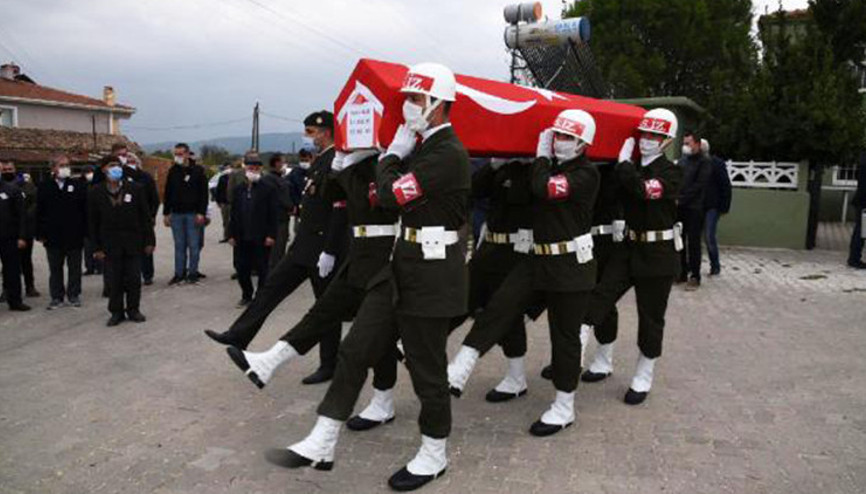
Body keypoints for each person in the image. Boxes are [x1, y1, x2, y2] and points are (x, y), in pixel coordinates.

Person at [266, 62, 470, 492]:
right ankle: (323, 439)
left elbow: (392, 195)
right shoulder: (423, 148)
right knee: (355, 349)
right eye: (407, 98)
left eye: (415, 99)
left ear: (438, 105)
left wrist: (391, 155)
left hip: (433, 277)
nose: (408, 106)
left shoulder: (448, 152)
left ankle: (434, 454)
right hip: (399, 265)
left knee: (427, 371)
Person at [224, 148, 402, 430]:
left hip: (386, 255)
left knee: (382, 337)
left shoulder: (395, 159)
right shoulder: (358, 164)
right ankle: (270, 361)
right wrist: (341, 167)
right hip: (360, 253)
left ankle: (399, 403)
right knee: (324, 312)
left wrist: (388, 158)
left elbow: (388, 200)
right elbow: (332, 198)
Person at [447, 110, 600, 438]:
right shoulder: (545, 167)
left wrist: (541, 156)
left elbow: (545, 189)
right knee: (500, 306)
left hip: (571, 266)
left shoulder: (586, 173)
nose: (560, 142)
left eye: (568, 137)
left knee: (564, 337)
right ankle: (462, 363)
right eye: (557, 135)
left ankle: (564, 406)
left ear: (584, 143)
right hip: (537, 258)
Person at [204, 111, 349, 386]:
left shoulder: (336, 160)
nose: (308, 137)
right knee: (270, 289)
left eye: (312, 132)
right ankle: (239, 334)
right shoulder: (320, 160)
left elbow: (339, 210)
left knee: (325, 309)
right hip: (303, 246)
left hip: (322, 250)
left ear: (327, 132)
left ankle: (329, 364)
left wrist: (330, 250)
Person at [578, 108, 684, 405]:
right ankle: (580, 352)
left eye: (654, 135)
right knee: (599, 297)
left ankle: (643, 375)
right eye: (643, 134)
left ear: (666, 140)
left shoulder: (672, 171)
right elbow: (611, 194)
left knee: (650, 317)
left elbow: (643, 191)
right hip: (628, 247)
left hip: (658, 253)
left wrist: (624, 165)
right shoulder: (628, 167)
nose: (646, 140)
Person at [89, 160, 156, 326]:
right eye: (111, 166)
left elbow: (145, 217)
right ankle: (116, 312)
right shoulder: (96, 192)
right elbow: (92, 222)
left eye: (118, 166)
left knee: (134, 279)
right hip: (109, 244)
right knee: (114, 281)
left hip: (133, 242)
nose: (116, 169)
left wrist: (149, 241)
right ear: (103, 170)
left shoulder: (135, 189)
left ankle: (133, 309)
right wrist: (96, 247)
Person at [36, 155, 88, 309]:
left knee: (75, 268)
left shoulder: (78, 185)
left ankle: (73, 295)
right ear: (53, 168)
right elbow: (39, 211)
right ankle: (57, 297)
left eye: (67, 165)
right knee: (55, 268)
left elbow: (85, 210)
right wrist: (40, 233)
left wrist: (86, 232)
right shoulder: (44, 186)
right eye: (62, 165)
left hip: (74, 234)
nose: (66, 168)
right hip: (52, 236)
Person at [229, 153, 279, 306]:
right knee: (241, 267)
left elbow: (273, 213)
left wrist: (271, 235)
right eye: (251, 168)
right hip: (241, 236)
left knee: (262, 268)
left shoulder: (268, 189)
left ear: (261, 169)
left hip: (261, 236)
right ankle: (246, 295)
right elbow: (233, 213)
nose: (254, 170)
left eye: (256, 168)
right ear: (245, 169)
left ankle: (260, 297)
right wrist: (231, 234)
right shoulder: (239, 190)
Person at [162, 143, 208, 285]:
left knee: (194, 245)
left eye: (180, 154)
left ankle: (192, 273)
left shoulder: (198, 171)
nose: (178, 157)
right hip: (176, 214)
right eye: (176, 154)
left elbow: (204, 194)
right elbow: (167, 193)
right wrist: (166, 213)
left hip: (193, 214)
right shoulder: (173, 171)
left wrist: (201, 212)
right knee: (179, 246)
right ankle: (179, 273)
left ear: (187, 154)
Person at [677, 130, 712, 290]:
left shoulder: (704, 162)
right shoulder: (683, 161)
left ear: (697, 144)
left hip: (695, 208)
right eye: (684, 143)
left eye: (688, 143)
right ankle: (681, 272)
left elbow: (699, 185)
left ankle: (695, 276)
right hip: (681, 207)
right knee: (679, 240)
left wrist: (682, 198)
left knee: (693, 242)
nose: (685, 146)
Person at [120, 151, 159, 285]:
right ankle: (129, 275)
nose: (130, 162)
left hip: (144, 217)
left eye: (132, 160)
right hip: (125, 219)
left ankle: (147, 275)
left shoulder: (146, 177)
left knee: (146, 246)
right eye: (127, 160)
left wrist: (152, 215)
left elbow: (154, 199)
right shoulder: (120, 177)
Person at [0, 160, 31, 311]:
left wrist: (21, 236)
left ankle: (15, 301)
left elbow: (21, 216)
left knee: (12, 271)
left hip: (9, 238)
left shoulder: (12, 190)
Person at [700, 139, 732, 276]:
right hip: (698, 205)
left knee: (709, 236)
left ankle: (715, 265)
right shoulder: (695, 163)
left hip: (712, 206)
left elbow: (725, 185)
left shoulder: (716, 163)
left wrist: (724, 207)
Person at [264, 153, 295, 270]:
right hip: (280, 218)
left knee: (271, 249)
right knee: (278, 248)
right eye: (283, 162)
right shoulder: (278, 181)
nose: (284, 164)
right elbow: (284, 199)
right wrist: (292, 208)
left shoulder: (266, 179)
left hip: (269, 218)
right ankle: (274, 272)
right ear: (277, 163)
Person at [81, 165, 103, 276]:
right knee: (87, 247)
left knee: (98, 244)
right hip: (85, 220)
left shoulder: (98, 186)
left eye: (91, 171)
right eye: (87, 172)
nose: (89, 174)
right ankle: (89, 267)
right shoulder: (82, 186)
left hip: (97, 219)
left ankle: (100, 266)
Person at [847, 151, 866, 269]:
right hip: (864, 200)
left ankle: (854, 258)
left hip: (861, 200)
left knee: (860, 230)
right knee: (860, 231)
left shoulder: (862, 159)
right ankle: (854, 259)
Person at [215, 164, 232, 243]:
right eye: (227, 167)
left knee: (233, 220)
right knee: (225, 220)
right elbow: (218, 189)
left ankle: (233, 236)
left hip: (232, 202)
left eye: (229, 167)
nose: (228, 169)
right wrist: (218, 201)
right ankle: (226, 236)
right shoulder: (222, 178)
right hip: (224, 202)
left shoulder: (234, 177)